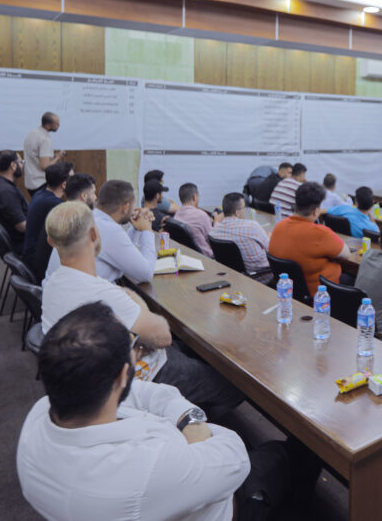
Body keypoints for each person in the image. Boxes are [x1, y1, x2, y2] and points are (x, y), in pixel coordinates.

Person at [17, 302, 251, 521]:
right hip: (214, 503)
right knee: (271, 459)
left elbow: (143, 391)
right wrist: (195, 428)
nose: (138, 351)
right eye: (133, 344)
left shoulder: (39, 415)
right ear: (121, 376)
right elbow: (235, 459)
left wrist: (187, 417)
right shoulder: (146, 468)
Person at [41, 202, 244, 419]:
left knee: (190, 350)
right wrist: (132, 297)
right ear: (94, 234)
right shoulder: (105, 295)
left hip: (93, 379)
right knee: (233, 383)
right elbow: (163, 337)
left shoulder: (52, 284)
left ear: (50, 241)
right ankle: (191, 419)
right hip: (143, 378)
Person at [46, 180, 157, 284]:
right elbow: (146, 274)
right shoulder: (109, 230)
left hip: (56, 291)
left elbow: (124, 255)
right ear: (125, 207)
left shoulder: (89, 217)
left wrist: (136, 229)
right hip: (78, 295)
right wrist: (147, 230)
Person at [268, 182, 352, 294]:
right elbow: (346, 255)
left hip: (289, 290)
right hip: (320, 294)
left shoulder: (279, 226)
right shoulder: (321, 233)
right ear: (315, 211)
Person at [30, 172, 96, 277]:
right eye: (93, 193)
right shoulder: (75, 221)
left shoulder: (60, 212)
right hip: (51, 277)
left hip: (47, 275)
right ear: (84, 196)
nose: (95, 197)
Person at [22, 161, 74, 276]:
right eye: (73, 179)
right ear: (64, 185)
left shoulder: (40, 193)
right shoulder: (55, 204)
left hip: (30, 254)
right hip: (38, 263)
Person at [213, 193, 272, 278]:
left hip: (236, 276)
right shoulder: (252, 226)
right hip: (262, 274)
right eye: (244, 208)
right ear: (237, 212)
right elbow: (271, 249)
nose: (244, 211)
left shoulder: (215, 231)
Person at [0, 150, 29, 254]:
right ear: (13, 165)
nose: (22, 165)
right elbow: (22, 226)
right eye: (21, 162)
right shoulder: (5, 192)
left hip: (15, 241)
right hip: (21, 244)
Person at [22, 111, 66, 197]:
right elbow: (45, 167)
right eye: (57, 124)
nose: (59, 125)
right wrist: (58, 157)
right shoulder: (45, 139)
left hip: (30, 182)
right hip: (40, 183)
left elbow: (35, 156)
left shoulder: (31, 134)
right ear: (48, 125)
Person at [172, 183, 219, 257]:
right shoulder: (201, 215)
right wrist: (217, 222)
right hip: (207, 257)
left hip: (188, 254)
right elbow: (214, 240)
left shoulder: (177, 214)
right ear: (194, 197)